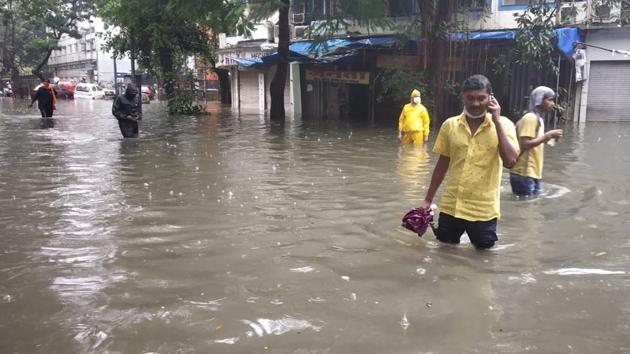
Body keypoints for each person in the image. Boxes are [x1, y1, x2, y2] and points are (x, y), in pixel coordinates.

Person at [419, 74, 520, 249]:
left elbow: (511, 161)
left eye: (481, 98)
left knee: (483, 262)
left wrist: (496, 121)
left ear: (491, 98)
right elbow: (442, 164)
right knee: (444, 254)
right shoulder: (450, 125)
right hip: (451, 207)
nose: (475, 104)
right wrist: (428, 199)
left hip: (483, 211)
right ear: (462, 98)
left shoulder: (504, 125)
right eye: (470, 98)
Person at [510, 86, 563, 197]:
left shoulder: (539, 120)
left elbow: (535, 142)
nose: (553, 104)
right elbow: (525, 144)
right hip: (524, 173)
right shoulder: (530, 118)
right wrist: (547, 136)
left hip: (532, 173)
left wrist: (549, 138)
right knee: (526, 209)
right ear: (539, 100)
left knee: (532, 206)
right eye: (549, 100)